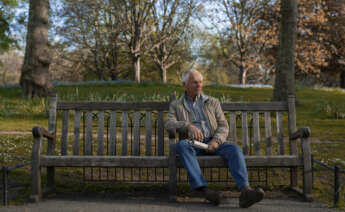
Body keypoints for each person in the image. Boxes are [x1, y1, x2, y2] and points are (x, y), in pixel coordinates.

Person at [165, 69, 264, 208]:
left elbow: (223, 126)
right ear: (184, 84)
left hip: (213, 141)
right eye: (194, 82)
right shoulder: (176, 105)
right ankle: (204, 190)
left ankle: (245, 191)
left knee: (234, 149)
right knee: (181, 145)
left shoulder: (213, 102)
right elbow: (169, 123)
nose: (199, 85)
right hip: (193, 144)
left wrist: (216, 141)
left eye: (200, 82)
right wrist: (187, 126)